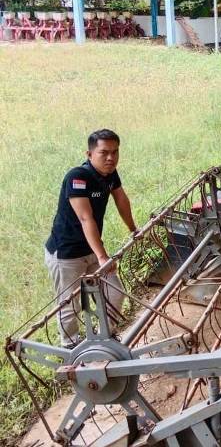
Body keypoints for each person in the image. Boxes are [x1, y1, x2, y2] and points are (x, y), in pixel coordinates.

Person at [44, 129, 137, 348]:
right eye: (104, 152)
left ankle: (102, 337)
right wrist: (103, 256)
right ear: (89, 154)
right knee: (70, 303)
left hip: (92, 249)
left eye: (115, 152)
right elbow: (86, 219)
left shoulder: (110, 174)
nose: (110, 158)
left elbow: (121, 199)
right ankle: (72, 347)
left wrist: (133, 228)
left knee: (114, 291)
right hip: (66, 253)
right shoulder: (77, 177)